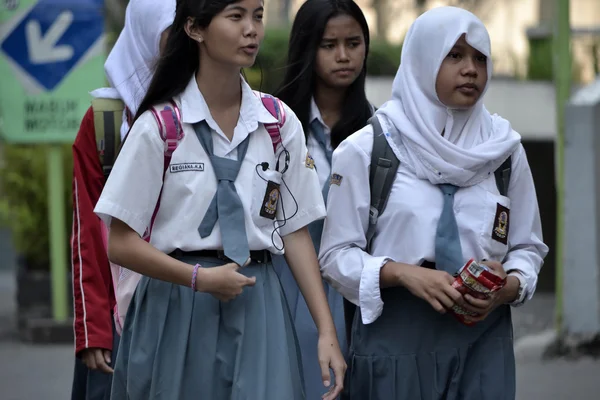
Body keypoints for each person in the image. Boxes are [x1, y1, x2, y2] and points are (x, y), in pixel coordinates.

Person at [93, 0, 346, 399]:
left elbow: (296, 233)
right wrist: (199, 279)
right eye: (236, 16)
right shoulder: (159, 126)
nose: (253, 29)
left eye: (258, 16)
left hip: (258, 300)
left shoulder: (278, 122)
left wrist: (326, 331)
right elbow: (121, 243)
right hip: (177, 304)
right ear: (194, 29)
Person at [319, 6, 549, 400]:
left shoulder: (504, 152)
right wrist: (402, 273)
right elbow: (335, 256)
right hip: (396, 340)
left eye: (480, 57)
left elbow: (528, 247)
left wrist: (508, 286)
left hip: (483, 340)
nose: (471, 69)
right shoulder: (368, 149)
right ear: (422, 60)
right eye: (454, 55)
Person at [71, 1, 175, 399]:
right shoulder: (106, 123)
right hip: (121, 322)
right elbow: (89, 234)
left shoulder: (219, 110)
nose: (186, 39)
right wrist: (94, 327)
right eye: (174, 29)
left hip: (200, 305)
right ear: (147, 31)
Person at [273, 1, 372, 397]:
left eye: (354, 42)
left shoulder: (381, 130)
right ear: (306, 48)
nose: (344, 56)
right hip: (289, 282)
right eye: (329, 45)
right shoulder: (275, 124)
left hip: (358, 289)